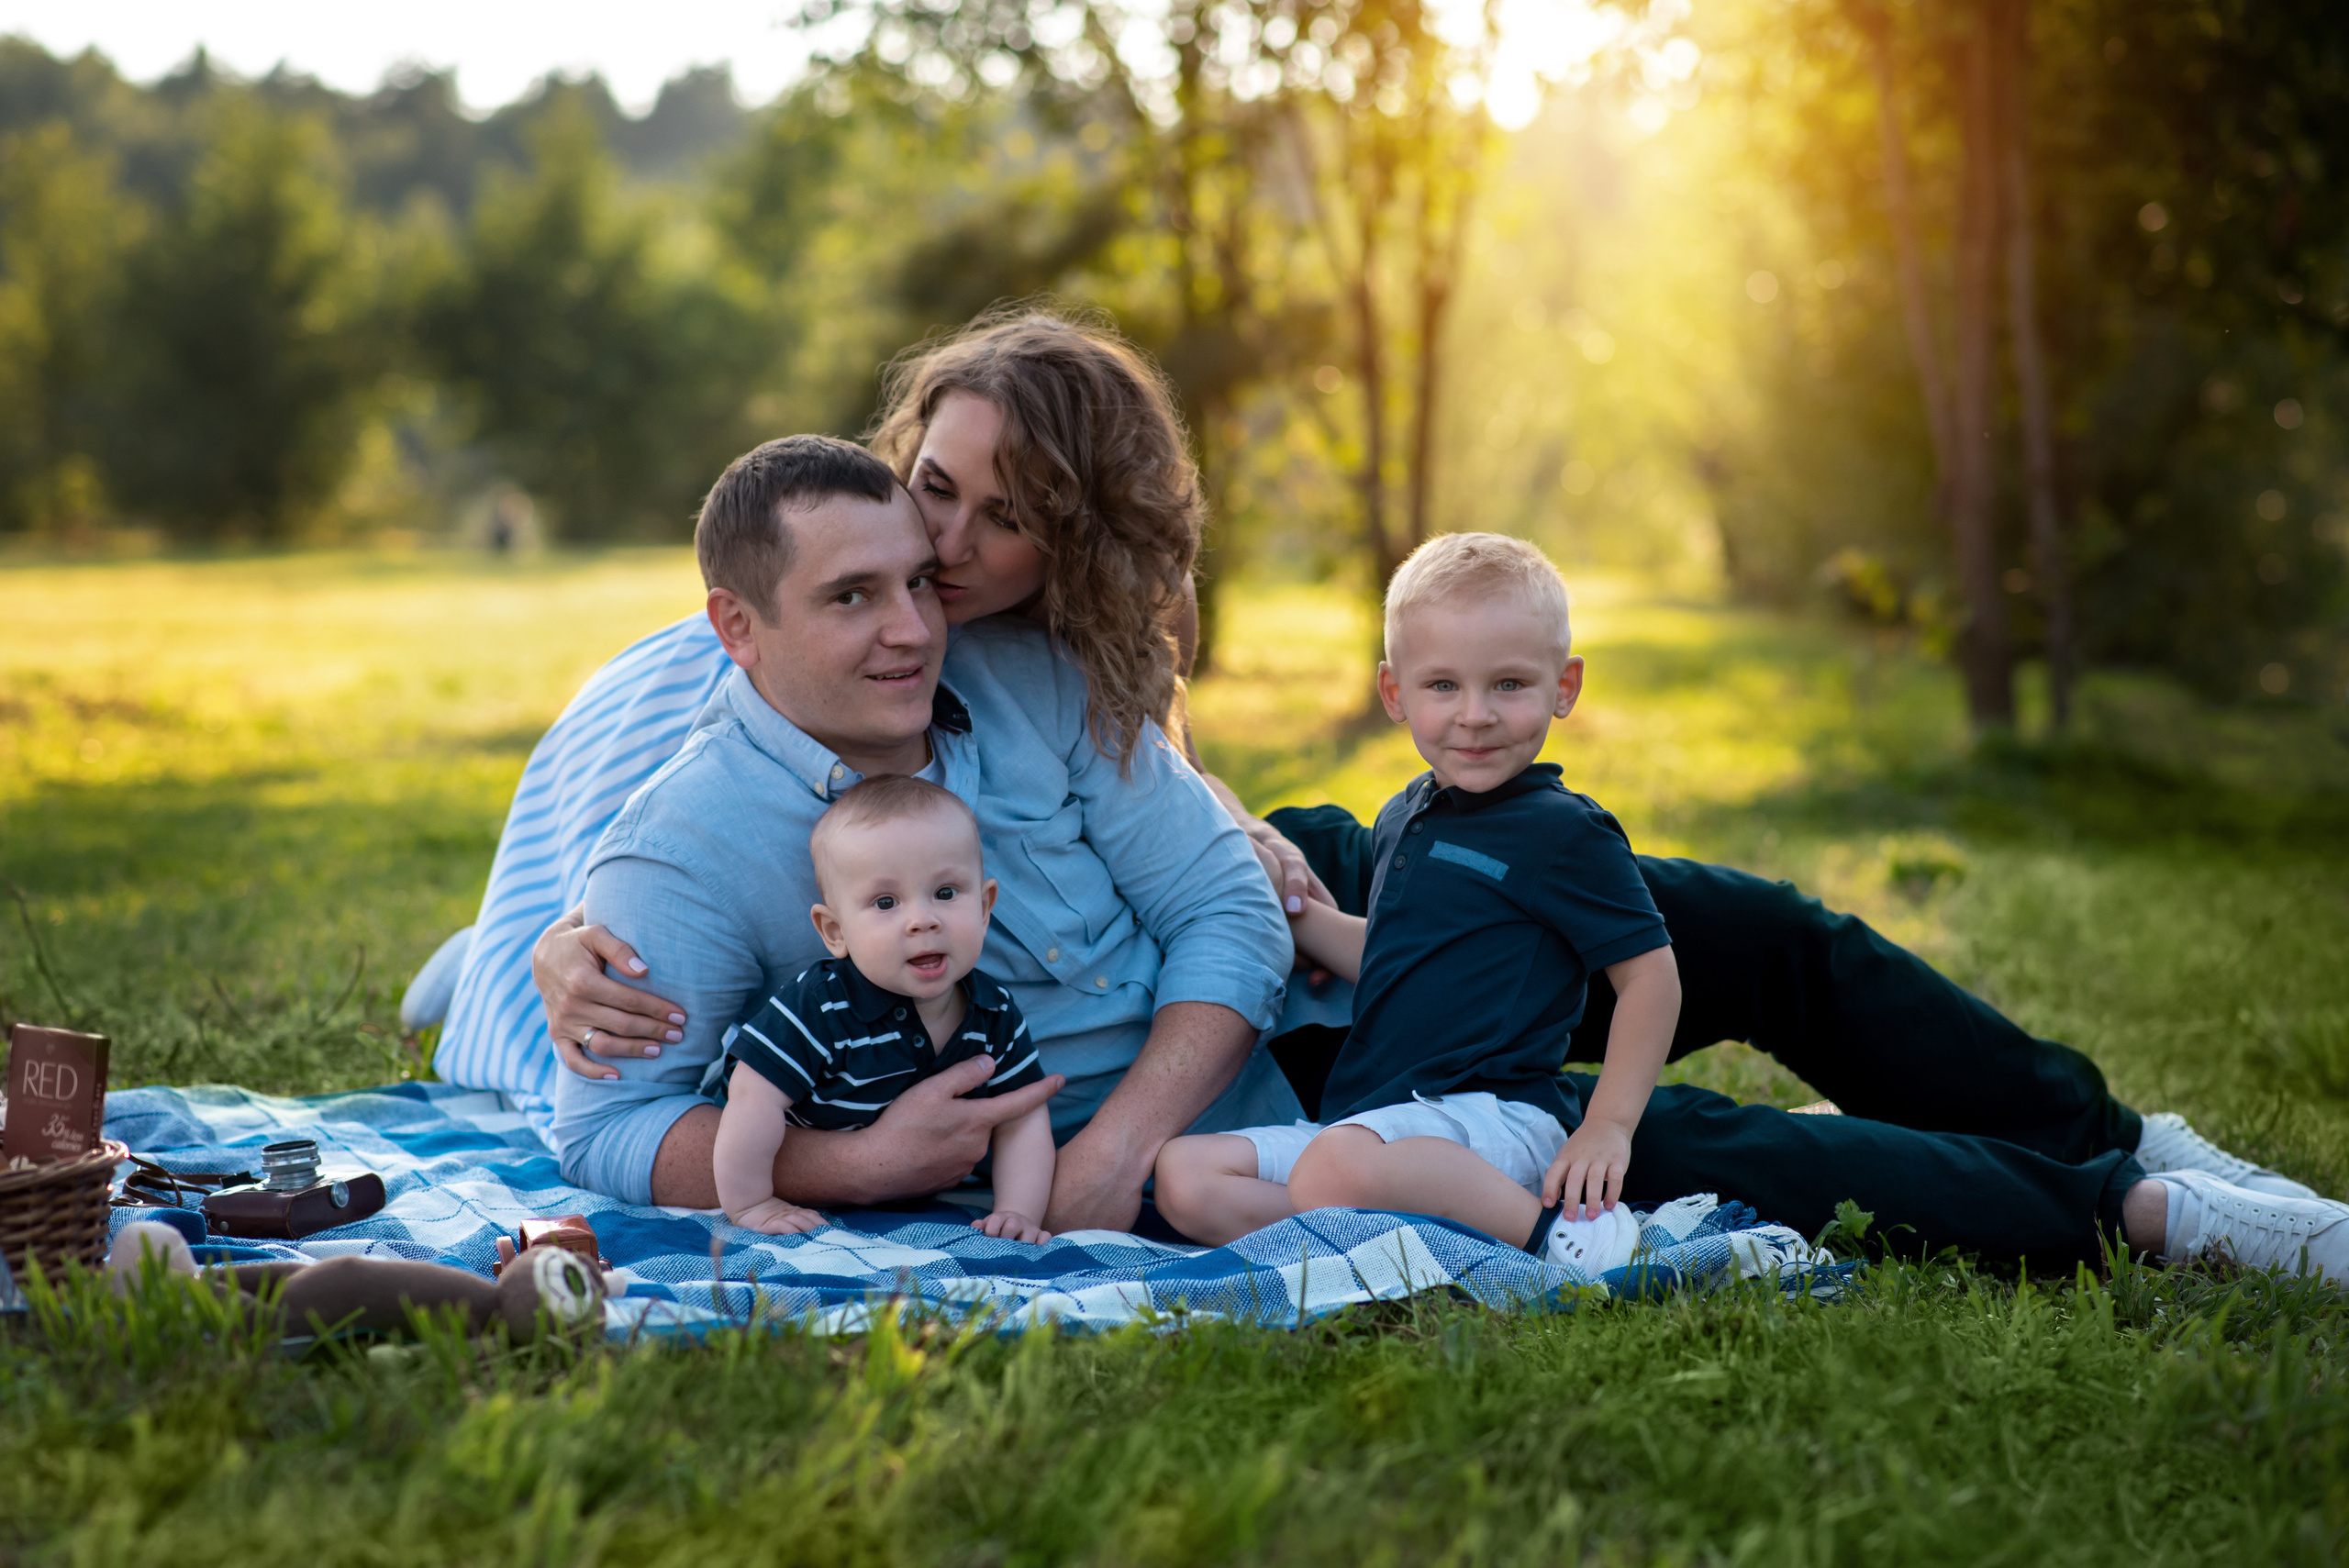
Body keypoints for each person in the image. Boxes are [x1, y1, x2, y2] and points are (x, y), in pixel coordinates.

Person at [410, 304, 2336, 1268]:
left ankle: (2128, 1135)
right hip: (1280, 1048)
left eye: (983, 533)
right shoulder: (734, 712)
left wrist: (1191, 989)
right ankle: (2127, 1211)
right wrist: (571, 954)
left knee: (1734, 927)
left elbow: (1211, 889)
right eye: (921, 512)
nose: (935, 577)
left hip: (1280, 920)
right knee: (1626, 1139)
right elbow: (624, 883)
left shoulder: (1023, 642)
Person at [551, 428, 1293, 1222]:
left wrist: (1112, 1155)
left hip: (1252, 1114)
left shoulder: (1032, 676)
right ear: (736, 627)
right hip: (1008, 1200)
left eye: (919, 582)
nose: (913, 630)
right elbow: (607, 1128)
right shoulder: (684, 845)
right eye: (851, 596)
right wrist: (859, 1165)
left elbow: (1229, 909)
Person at [1155, 534, 1665, 1281]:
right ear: (1396, 693)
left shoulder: (1563, 832)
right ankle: (1406, 1246)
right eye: (1443, 686)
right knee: (1183, 1174)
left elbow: (1652, 977)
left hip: (1492, 1116)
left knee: (1335, 1169)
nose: (1476, 715)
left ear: (1565, 684)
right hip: (1376, 1122)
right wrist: (1296, 915)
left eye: (1510, 685)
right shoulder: (1405, 816)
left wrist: (1608, 1127)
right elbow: (1397, 957)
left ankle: (1550, 1239)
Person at [710, 775, 1054, 1242]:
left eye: (947, 893)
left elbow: (1022, 1114)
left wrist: (1017, 1211)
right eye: (886, 902)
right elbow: (752, 1098)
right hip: (797, 1174)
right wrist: (753, 1201)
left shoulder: (994, 1011)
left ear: (985, 905)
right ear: (835, 932)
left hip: (914, 1201)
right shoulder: (821, 1005)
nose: (923, 920)